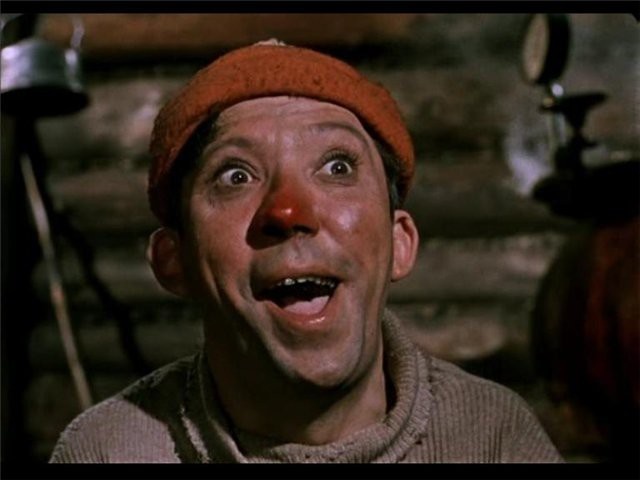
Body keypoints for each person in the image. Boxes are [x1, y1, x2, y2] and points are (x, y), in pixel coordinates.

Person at [49, 40, 562, 463]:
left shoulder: (492, 438)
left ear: (400, 242)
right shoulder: (109, 451)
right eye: (236, 176)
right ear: (173, 260)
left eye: (337, 167)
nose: (288, 211)